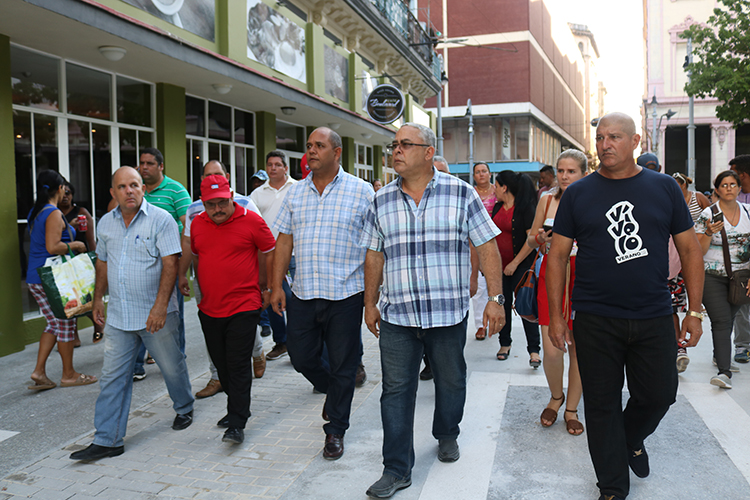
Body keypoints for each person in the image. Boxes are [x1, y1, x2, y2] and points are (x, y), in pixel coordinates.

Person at [547, 112, 704, 500]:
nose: (605, 144)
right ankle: (612, 487)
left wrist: (695, 311)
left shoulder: (664, 187)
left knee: (659, 394)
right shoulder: (579, 193)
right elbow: (557, 256)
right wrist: (555, 316)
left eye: (615, 137)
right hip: (596, 317)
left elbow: (689, 249)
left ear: (636, 142)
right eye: (600, 137)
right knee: (600, 405)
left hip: (653, 313)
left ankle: (631, 438)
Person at [361, 123, 506, 499]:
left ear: (428, 152)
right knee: (395, 392)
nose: (395, 151)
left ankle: (446, 433)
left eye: (404, 145)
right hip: (398, 316)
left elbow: (488, 246)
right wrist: (369, 303)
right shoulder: (380, 201)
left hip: (447, 314)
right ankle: (395, 468)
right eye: (394, 145)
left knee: (451, 380)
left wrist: (495, 298)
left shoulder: (461, 194)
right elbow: (374, 254)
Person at [70, 167, 194, 462]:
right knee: (112, 377)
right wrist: (97, 299)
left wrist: (161, 306)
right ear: (113, 193)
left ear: (143, 189)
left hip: (156, 315)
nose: (129, 191)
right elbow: (102, 263)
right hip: (120, 316)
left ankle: (184, 406)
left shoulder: (161, 220)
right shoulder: (105, 223)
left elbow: (170, 264)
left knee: (172, 366)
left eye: (134, 185)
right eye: (123, 187)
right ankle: (108, 439)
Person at [270, 127, 374, 461]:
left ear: (337, 152)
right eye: (309, 146)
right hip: (303, 292)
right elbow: (283, 240)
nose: (312, 150)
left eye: (320, 145)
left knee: (344, 364)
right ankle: (335, 391)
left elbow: (376, 244)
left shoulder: (361, 192)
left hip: (346, 293)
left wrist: (373, 297)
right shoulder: (295, 193)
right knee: (301, 356)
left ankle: (335, 430)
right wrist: (276, 286)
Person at [191, 175, 276, 444]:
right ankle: (237, 407)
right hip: (210, 308)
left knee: (238, 365)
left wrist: (267, 287)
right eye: (211, 204)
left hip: (244, 304)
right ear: (203, 203)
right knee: (222, 366)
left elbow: (270, 250)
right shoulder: (197, 224)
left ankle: (237, 422)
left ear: (231, 197)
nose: (217, 209)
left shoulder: (251, 219)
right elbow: (195, 254)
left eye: (222, 203)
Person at [180, 160, 267, 399]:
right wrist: (184, 274)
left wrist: (264, 282)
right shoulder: (194, 211)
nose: (213, 180)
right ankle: (217, 375)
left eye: (217, 175)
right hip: (206, 281)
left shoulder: (246, 204)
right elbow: (189, 244)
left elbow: (261, 243)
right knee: (217, 336)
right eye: (208, 176)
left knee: (241, 333)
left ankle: (256, 352)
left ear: (227, 179)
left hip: (243, 287)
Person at [527, 149, 587, 435]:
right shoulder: (546, 199)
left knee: (579, 350)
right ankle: (556, 396)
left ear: (583, 173)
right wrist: (538, 237)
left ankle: (572, 408)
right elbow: (531, 234)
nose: (564, 176)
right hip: (550, 274)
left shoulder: (594, 199)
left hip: (584, 275)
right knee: (552, 350)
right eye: (561, 170)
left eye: (571, 171)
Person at [26, 171, 97, 391]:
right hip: (51, 277)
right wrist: (76, 245)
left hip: (37, 276)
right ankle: (69, 375)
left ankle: (39, 372)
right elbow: (52, 246)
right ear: (59, 189)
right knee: (66, 322)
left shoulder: (36, 212)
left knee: (53, 323)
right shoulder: (53, 213)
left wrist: (70, 225)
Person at [135, 147, 191, 380]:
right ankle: (137, 364)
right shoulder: (136, 190)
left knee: (171, 315)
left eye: (149, 163)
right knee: (138, 314)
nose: (144, 167)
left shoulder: (175, 190)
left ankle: (176, 361)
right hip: (140, 265)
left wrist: (181, 269)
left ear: (161, 166)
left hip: (169, 263)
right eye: (141, 163)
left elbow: (189, 227)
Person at [695, 170, 750, 389]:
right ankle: (724, 372)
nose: (729, 188)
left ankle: (720, 355)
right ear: (717, 189)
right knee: (721, 321)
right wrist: (708, 233)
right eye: (724, 185)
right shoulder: (708, 214)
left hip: (741, 277)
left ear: (739, 188)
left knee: (730, 315)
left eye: (733, 184)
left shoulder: (748, 212)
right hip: (712, 276)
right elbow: (698, 251)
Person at [485, 170, 540, 366]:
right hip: (500, 267)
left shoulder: (525, 208)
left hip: (521, 266)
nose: (494, 189)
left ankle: (534, 350)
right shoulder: (497, 207)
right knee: (502, 304)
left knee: (525, 305)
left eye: (496, 185)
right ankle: (504, 344)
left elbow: (531, 241)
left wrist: (514, 264)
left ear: (504, 187)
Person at [251, 151, 298, 362]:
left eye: (278, 164)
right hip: (269, 254)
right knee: (271, 296)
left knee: (299, 299)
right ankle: (281, 342)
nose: (273, 168)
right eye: (270, 164)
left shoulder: (298, 188)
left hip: (297, 253)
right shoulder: (258, 194)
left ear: (285, 168)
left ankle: (298, 344)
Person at [669, 171, 710, 373]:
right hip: (660, 264)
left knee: (673, 309)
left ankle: (679, 348)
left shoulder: (697, 199)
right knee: (667, 311)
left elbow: (712, 214)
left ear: (685, 186)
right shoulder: (664, 200)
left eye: (679, 185)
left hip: (682, 261)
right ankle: (675, 349)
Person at [59, 181, 104, 345]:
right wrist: (69, 227)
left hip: (80, 260)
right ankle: (74, 336)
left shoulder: (80, 212)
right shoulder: (55, 214)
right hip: (62, 261)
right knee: (69, 299)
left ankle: (97, 324)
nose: (66, 196)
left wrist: (95, 260)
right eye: (63, 192)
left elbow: (91, 239)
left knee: (84, 298)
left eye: (69, 193)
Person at [469, 162, 496, 341]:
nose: (481, 175)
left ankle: (495, 318)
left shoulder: (498, 192)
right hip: (474, 245)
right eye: (477, 172)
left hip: (495, 242)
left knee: (495, 285)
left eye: (484, 171)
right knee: (479, 287)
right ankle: (480, 324)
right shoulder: (471, 193)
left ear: (489, 173)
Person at [728, 154, 750, 365]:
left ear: (742, 175)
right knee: (742, 305)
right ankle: (742, 346)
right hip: (739, 263)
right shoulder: (733, 197)